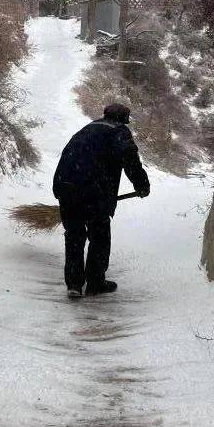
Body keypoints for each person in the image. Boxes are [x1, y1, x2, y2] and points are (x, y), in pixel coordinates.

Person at [52, 102, 150, 299]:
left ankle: (74, 284)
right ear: (124, 120)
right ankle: (96, 282)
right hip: (93, 191)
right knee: (99, 236)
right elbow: (130, 159)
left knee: (74, 236)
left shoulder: (88, 128)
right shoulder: (119, 132)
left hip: (65, 186)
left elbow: (69, 156)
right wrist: (142, 185)